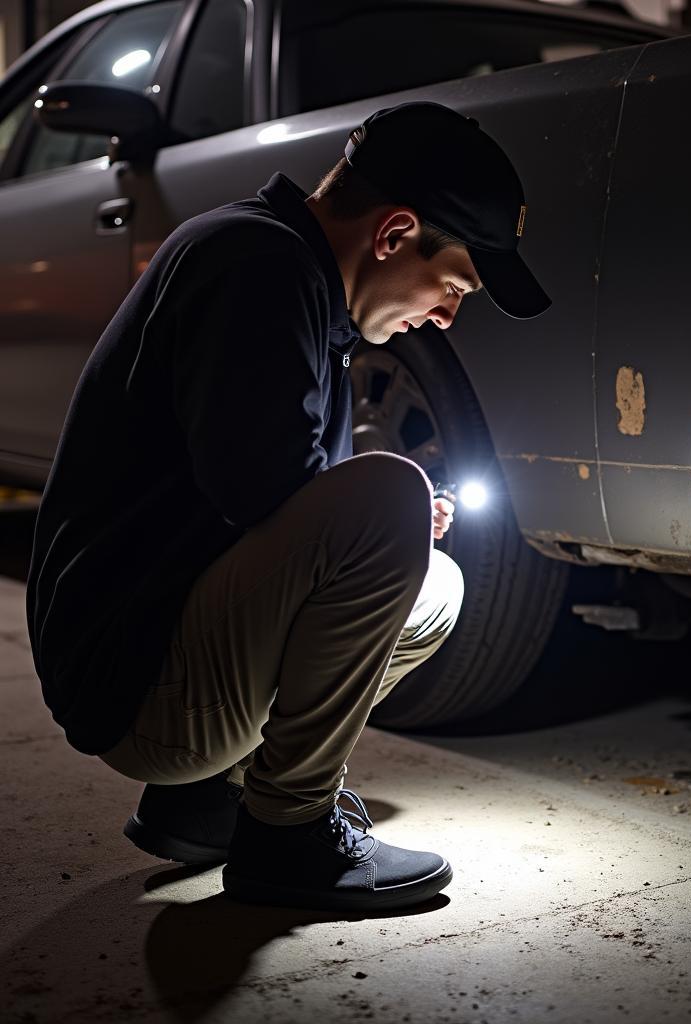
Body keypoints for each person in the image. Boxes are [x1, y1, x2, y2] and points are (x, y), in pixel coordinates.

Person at [26, 102, 550, 912]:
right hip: (138, 685)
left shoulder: (285, 274)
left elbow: (259, 500)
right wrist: (376, 510)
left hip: (155, 664)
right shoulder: (255, 266)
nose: (447, 316)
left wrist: (379, 524)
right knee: (392, 497)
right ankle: (289, 835)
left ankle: (213, 803)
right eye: (452, 285)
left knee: (435, 584)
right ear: (394, 233)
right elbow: (260, 494)